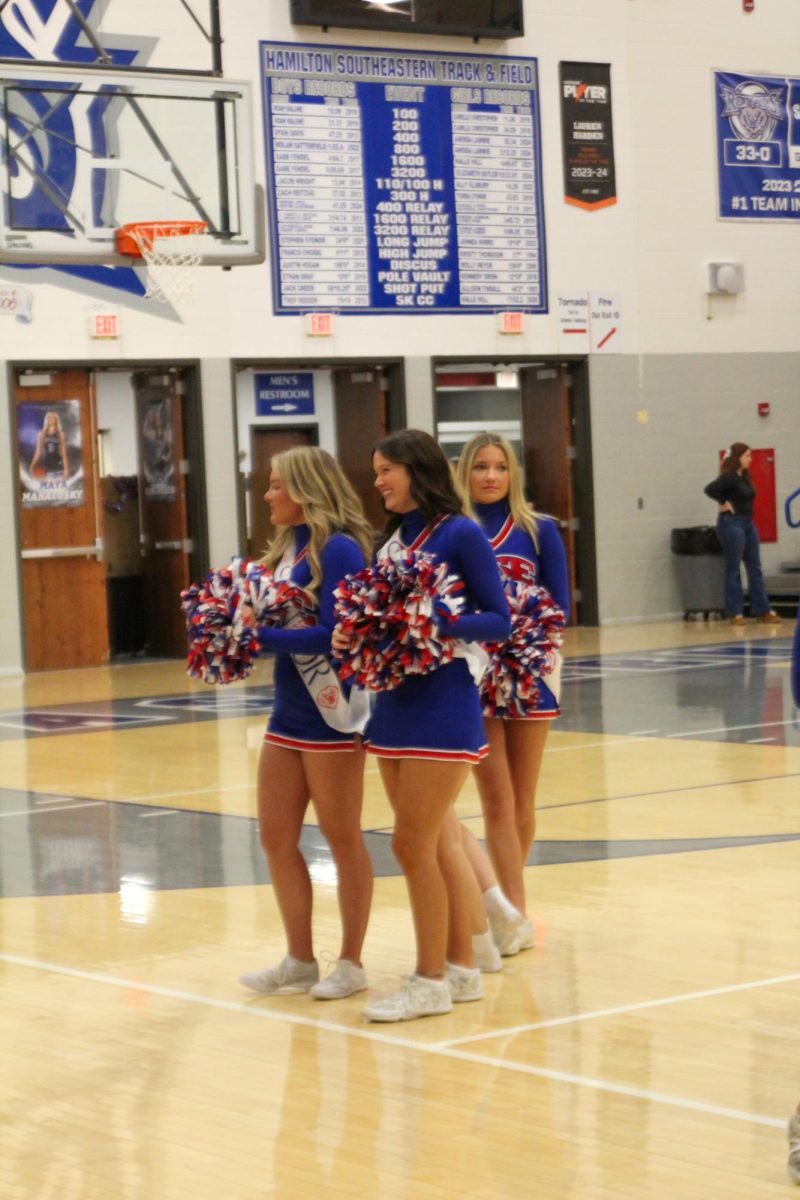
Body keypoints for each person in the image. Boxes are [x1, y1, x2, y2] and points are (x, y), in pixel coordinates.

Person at [338, 429, 510, 1023]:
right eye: (377, 470)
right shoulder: (392, 539)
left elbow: (498, 621)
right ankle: (461, 970)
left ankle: (429, 979)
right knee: (430, 842)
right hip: (393, 703)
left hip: (443, 702)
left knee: (411, 844)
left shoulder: (461, 532)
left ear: (418, 470)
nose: (379, 481)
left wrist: (435, 619)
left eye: (388, 470)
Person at [239, 446, 375, 1001]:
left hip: (332, 714)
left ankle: (352, 962)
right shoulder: (285, 548)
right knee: (275, 837)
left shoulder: (339, 548)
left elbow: (334, 634)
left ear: (305, 490)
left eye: (276, 485)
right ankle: (298, 959)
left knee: (343, 840)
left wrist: (257, 638)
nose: (268, 494)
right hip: (288, 712)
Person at [455, 432, 570, 954]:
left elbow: (560, 606)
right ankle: (512, 914)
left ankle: (512, 908)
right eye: (480, 467)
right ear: (465, 472)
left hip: (530, 669)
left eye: (500, 467)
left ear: (513, 474)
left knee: (523, 796)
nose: (491, 476)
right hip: (475, 672)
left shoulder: (540, 530)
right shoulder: (456, 530)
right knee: (495, 797)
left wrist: (525, 643)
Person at [703, 444, 781, 627]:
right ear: (737, 457)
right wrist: (723, 502)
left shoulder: (745, 477)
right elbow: (710, 489)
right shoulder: (729, 478)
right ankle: (735, 612)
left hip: (747, 523)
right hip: (731, 523)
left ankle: (763, 610)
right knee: (733, 568)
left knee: (755, 567)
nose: (750, 459)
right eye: (747, 455)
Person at [30, 410, 67, 479]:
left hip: (58, 468)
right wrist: (32, 465)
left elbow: (64, 453)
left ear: (56, 420)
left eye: (53, 417)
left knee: (59, 490)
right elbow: (38, 451)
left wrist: (66, 469)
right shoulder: (42, 433)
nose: (51, 419)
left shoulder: (60, 433)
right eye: (49, 417)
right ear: (46, 419)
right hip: (46, 468)